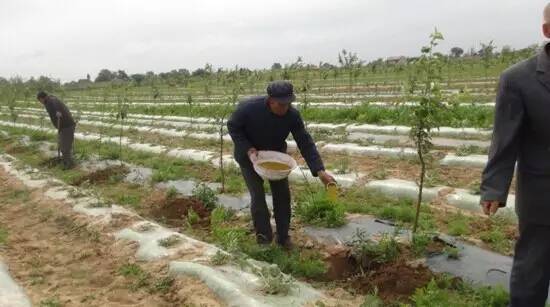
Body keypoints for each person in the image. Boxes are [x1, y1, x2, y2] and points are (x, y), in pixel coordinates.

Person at [480, 4, 550, 306]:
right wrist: (494, 187)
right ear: (547, 31)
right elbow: (505, 138)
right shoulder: (519, 79)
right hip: (542, 196)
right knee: (531, 274)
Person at [227, 80, 335, 249]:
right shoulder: (248, 109)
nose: (285, 108)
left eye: (288, 103)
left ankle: (283, 238)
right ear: (270, 100)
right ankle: (263, 239)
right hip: (250, 159)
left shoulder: (292, 115)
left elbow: (304, 142)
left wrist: (320, 171)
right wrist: (248, 149)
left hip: (276, 158)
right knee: (258, 197)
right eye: (281, 104)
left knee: (283, 196)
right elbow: (233, 127)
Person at [36, 91, 76, 169]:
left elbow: (56, 103)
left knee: (65, 147)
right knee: (62, 145)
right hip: (62, 127)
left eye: (39, 100)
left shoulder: (52, 100)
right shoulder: (48, 101)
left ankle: (69, 164)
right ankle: (66, 161)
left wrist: (58, 111)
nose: (40, 102)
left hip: (66, 126)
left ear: (41, 98)